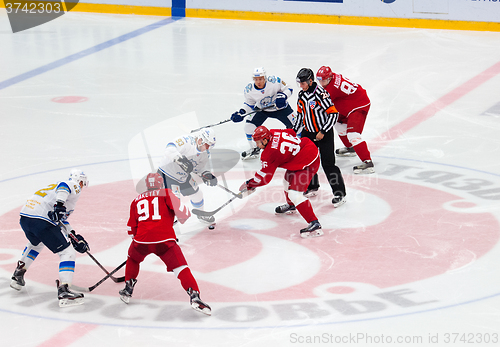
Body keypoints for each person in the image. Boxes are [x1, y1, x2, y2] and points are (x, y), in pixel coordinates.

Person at [119, 173, 211, 315]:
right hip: (165, 241)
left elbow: (131, 229)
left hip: (141, 240)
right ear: (161, 183)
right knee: (181, 267)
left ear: (147, 185)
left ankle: (128, 287)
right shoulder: (167, 193)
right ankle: (194, 296)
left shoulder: (136, 200)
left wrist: (139, 241)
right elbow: (184, 215)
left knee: (133, 258)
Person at [10, 169, 90, 307]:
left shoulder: (54, 191)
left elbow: (60, 219)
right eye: (83, 184)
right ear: (80, 181)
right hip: (41, 220)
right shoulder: (72, 186)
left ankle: (18, 274)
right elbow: (65, 186)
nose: (82, 187)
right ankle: (64, 291)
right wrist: (59, 205)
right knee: (68, 253)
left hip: (26, 217)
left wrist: (74, 235)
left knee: (36, 244)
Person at [239, 126, 323, 238]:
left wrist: (249, 184)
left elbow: (264, 178)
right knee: (286, 182)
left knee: (294, 193)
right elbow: (291, 132)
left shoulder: (269, 154)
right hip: (302, 153)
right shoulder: (273, 131)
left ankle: (314, 222)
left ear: (265, 140)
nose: (257, 145)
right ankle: (291, 205)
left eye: (258, 142)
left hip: (307, 163)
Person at [293, 68, 347, 207]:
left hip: (323, 133)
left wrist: (323, 131)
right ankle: (312, 186)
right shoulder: (301, 95)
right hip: (308, 132)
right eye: (300, 83)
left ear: (310, 81)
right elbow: (300, 115)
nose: (301, 86)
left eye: (303, 83)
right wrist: (293, 131)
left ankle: (339, 193)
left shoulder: (321, 94)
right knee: (306, 161)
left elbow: (333, 114)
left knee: (328, 164)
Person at [316, 66, 374, 174]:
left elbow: (322, 106)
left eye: (323, 80)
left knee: (353, 135)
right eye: (319, 80)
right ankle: (350, 148)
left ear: (329, 78)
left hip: (358, 106)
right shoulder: (332, 79)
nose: (321, 83)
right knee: (338, 124)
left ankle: (368, 161)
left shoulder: (331, 88)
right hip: (348, 104)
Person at [230, 67, 295, 160]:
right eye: (256, 79)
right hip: (262, 110)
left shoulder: (274, 81)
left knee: (297, 125)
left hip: (280, 108)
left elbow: (289, 88)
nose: (258, 82)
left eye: (260, 79)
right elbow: (249, 104)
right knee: (248, 127)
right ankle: (254, 149)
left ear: (265, 78)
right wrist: (241, 113)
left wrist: (284, 96)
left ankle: (296, 147)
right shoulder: (249, 89)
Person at [157, 128, 218, 224]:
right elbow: (169, 149)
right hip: (167, 174)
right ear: (200, 140)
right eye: (207, 145)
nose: (207, 148)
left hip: (183, 177)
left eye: (210, 146)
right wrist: (180, 160)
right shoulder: (186, 141)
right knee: (174, 202)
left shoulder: (205, 154)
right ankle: (166, 225)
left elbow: (198, 168)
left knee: (197, 194)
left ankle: (201, 214)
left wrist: (206, 175)